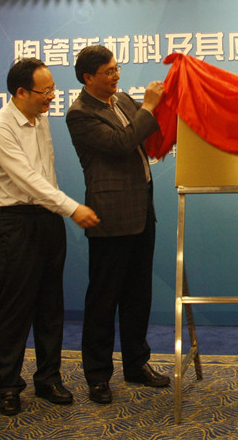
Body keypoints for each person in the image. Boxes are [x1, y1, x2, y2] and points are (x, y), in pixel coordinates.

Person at [0, 58, 99, 416]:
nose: (51, 96)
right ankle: (8, 385)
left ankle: (48, 378)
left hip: (48, 220)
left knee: (51, 305)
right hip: (17, 222)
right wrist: (71, 208)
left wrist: (59, 210)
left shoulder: (41, 118)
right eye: (44, 91)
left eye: (53, 90)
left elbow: (46, 173)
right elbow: (27, 179)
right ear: (21, 92)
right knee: (16, 307)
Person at [65, 45, 169, 405]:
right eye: (108, 72)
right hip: (109, 215)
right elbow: (122, 143)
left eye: (116, 68)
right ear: (88, 77)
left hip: (142, 211)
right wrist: (150, 106)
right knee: (104, 298)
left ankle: (136, 364)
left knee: (138, 295)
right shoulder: (79, 114)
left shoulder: (122, 100)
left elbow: (148, 128)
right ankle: (97, 375)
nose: (116, 76)